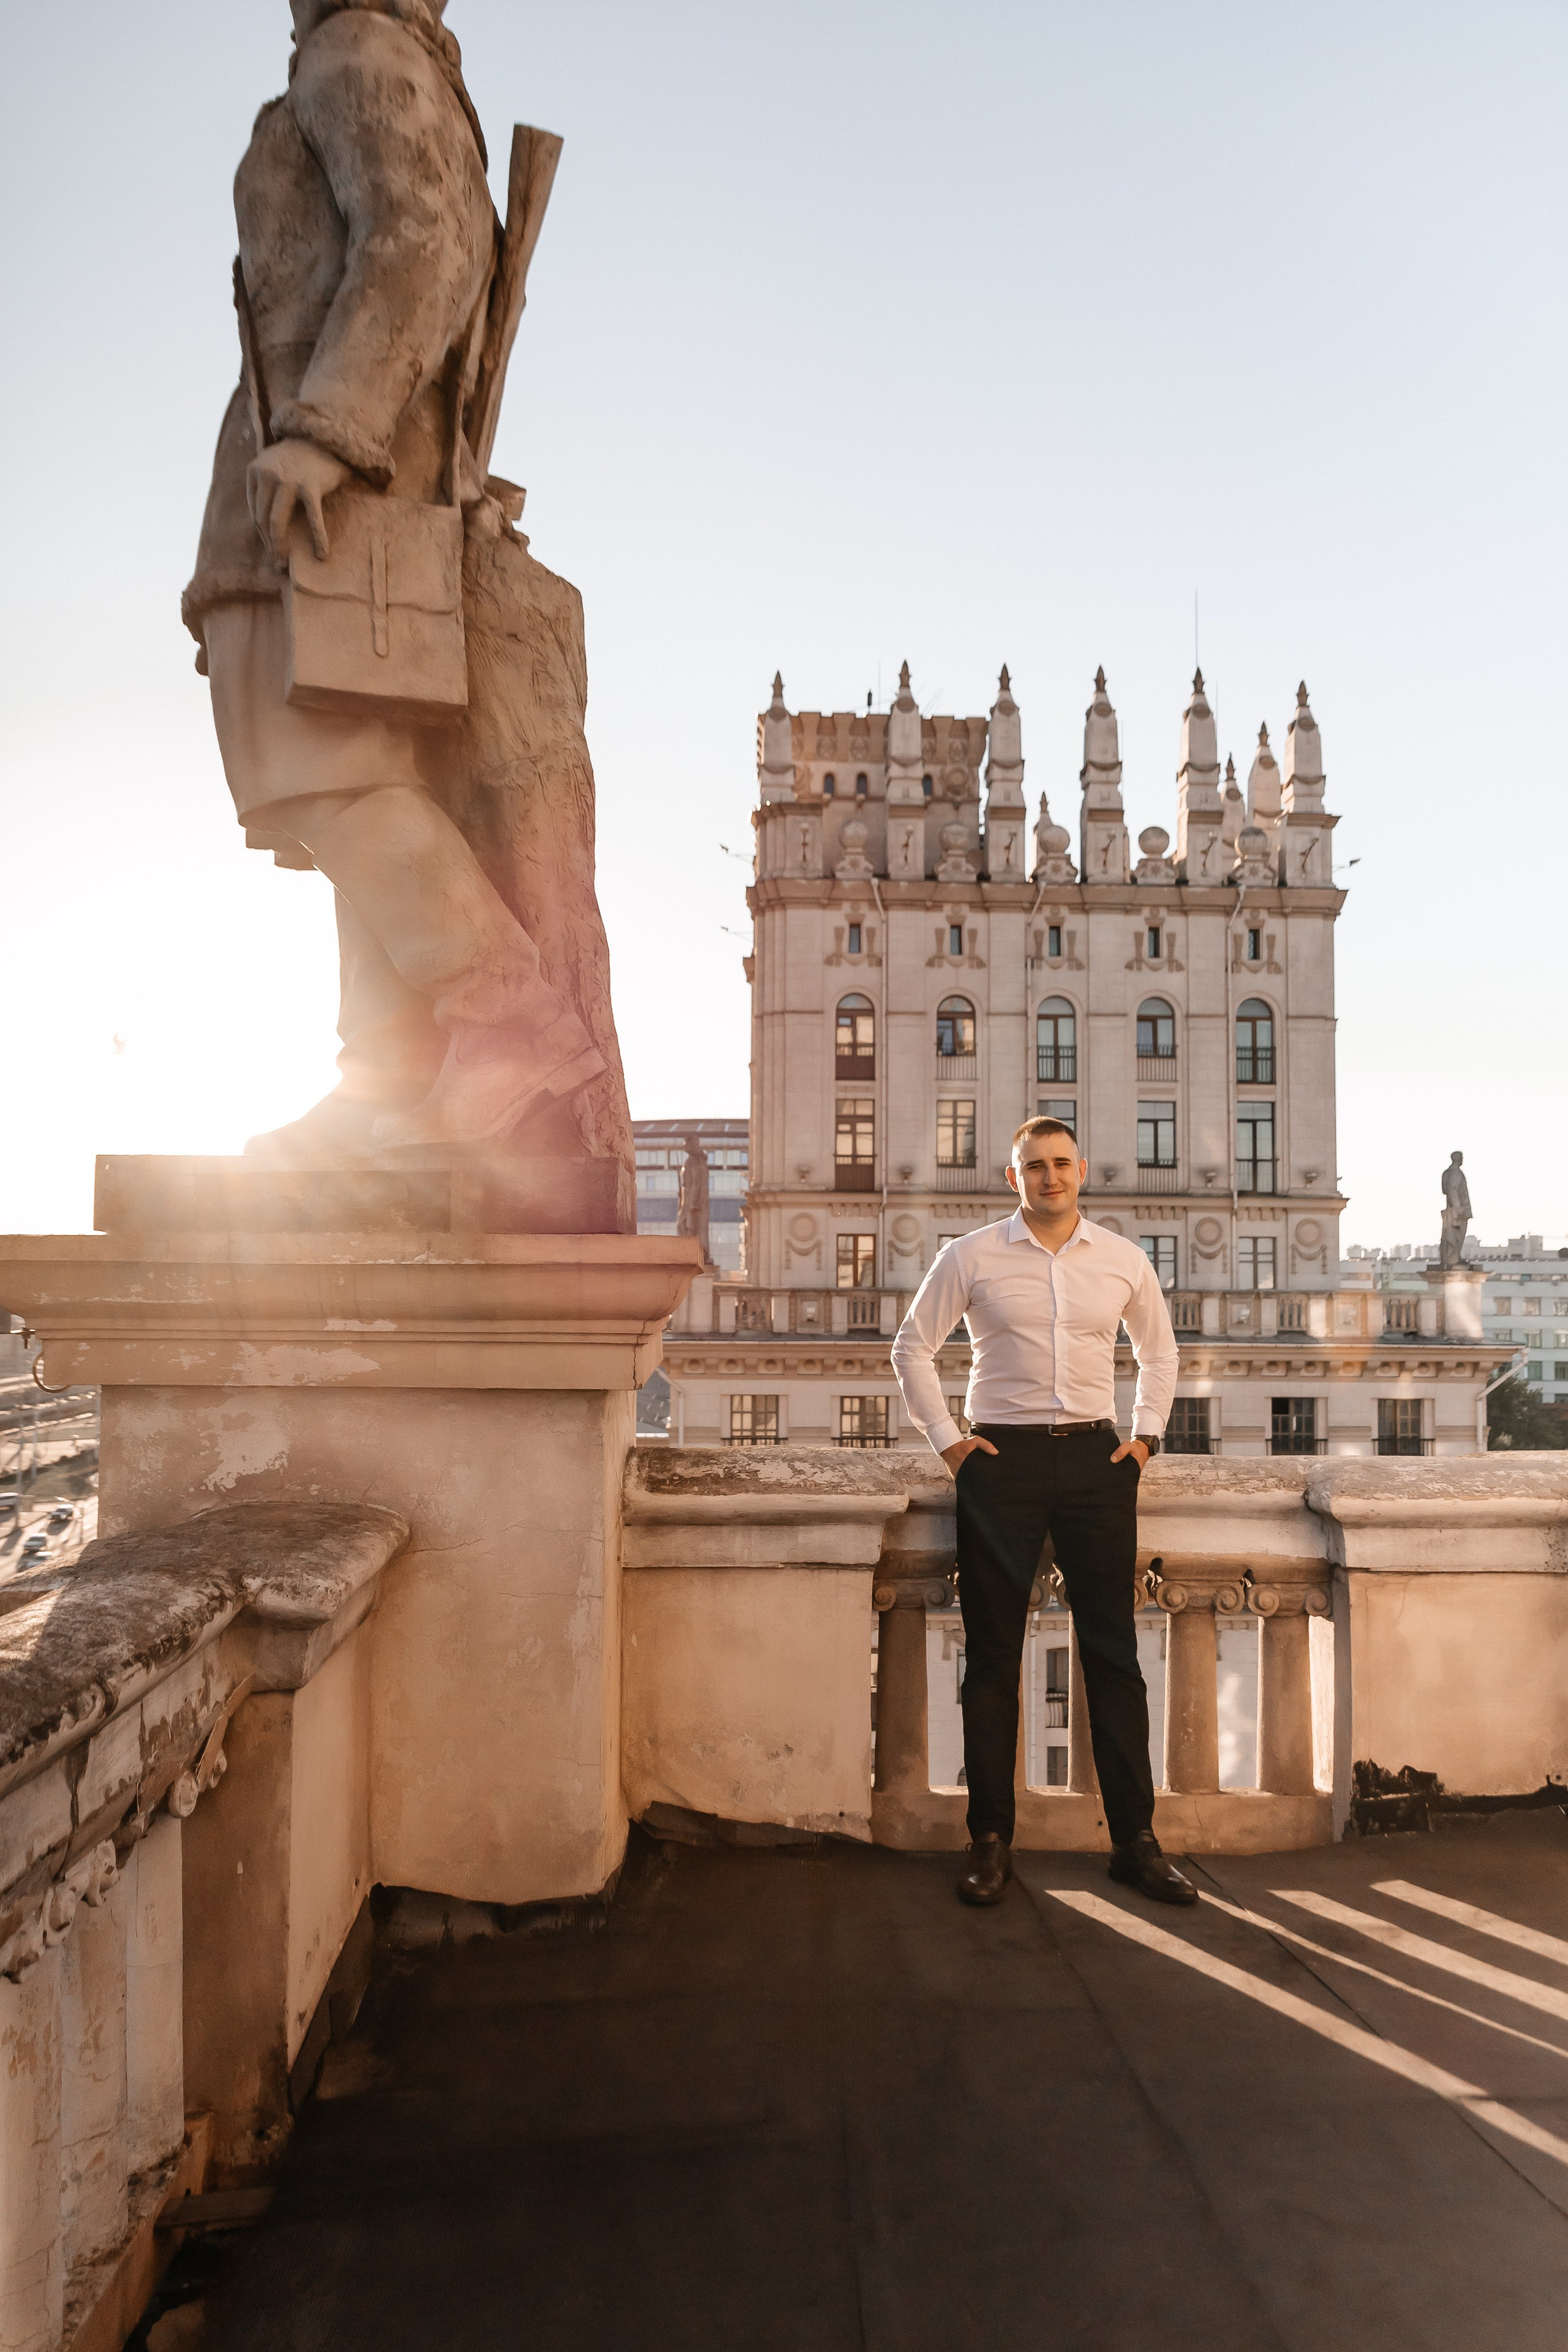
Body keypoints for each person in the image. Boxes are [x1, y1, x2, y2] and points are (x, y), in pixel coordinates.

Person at [891, 1117, 1194, 1909]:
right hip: (1001, 1463)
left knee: (1114, 1656)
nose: (1050, 1176)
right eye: (1035, 1166)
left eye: (1061, 1163)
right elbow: (911, 1347)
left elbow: (1159, 1353)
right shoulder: (970, 1256)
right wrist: (952, 1446)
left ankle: (1136, 1844)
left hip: (1097, 1463)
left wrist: (1145, 1439)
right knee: (993, 1659)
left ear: (1082, 1171)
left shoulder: (1122, 1259)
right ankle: (990, 1842)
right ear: (1013, 1176)